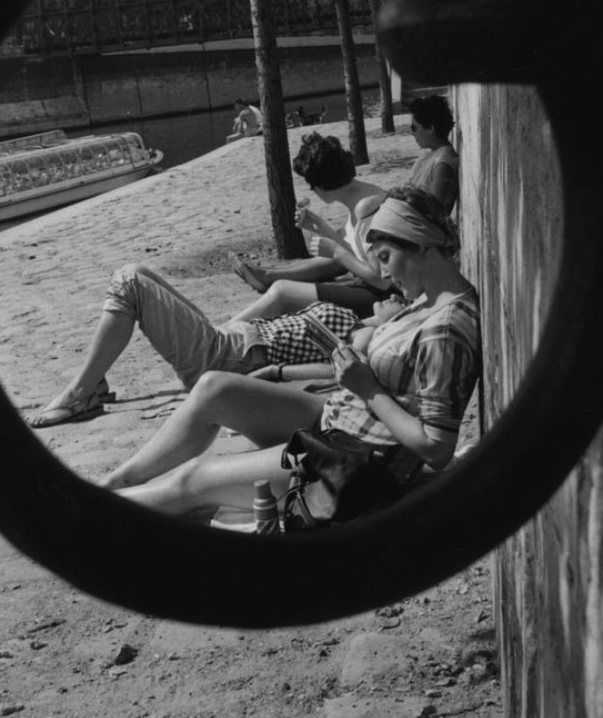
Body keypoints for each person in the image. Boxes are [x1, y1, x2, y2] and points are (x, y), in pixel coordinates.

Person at [100, 185, 481, 514]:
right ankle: (121, 480)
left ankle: (98, 509)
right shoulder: (425, 301)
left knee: (193, 480)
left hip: (357, 465)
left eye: (385, 256)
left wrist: (368, 389)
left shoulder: (444, 331)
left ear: (423, 246)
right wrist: (295, 371)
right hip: (340, 421)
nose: (382, 275)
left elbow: (436, 449)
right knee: (215, 387)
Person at [27, 262, 404, 428]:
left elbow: (343, 375)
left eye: (403, 307)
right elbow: (282, 295)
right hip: (229, 341)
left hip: (228, 360)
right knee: (138, 271)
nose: (396, 298)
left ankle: (79, 394)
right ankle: (96, 382)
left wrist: (273, 374)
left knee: (129, 283)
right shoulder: (360, 320)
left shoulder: (365, 337)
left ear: (396, 326)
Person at [229, 132, 392, 319]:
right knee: (284, 291)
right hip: (376, 290)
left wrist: (336, 252)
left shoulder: (366, 207)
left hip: (388, 297)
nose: (312, 191)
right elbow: (360, 256)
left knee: (283, 292)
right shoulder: (361, 197)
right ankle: (226, 333)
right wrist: (320, 227)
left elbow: (382, 280)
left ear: (320, 185)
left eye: (311, 185)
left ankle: (222, 337)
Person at [407, 95, 459, 211]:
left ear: (430, 128)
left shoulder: (444, 163)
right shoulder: (428, 154)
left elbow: (434, 210)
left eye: (414, 128)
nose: (413, 134)